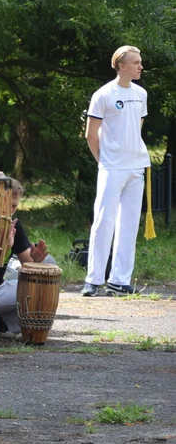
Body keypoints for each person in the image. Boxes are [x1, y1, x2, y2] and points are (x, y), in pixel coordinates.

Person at [81, 45, 150, 297]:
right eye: (136, 62)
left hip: (136, 166)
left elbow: (136, 127)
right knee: (104, 221)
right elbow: (91, 134)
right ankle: (93, 279)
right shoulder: (103, 94)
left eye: (140, 62)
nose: (140, 66)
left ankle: (119, 280)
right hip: (112, 167)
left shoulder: (141, 94)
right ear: (122, 66)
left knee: (129, 224)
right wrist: (103, 161)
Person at [0, 179, 56, 336]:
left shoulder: (14, 224)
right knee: (39, 287)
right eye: (6, 204)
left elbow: (27, 264)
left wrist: (36, 260)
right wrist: (5, 248)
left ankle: (5, 324)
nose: (10, 210)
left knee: (48, 265)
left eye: (14, 206)